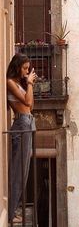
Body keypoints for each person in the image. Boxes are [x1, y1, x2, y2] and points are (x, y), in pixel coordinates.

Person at [6, 53, 37, 223]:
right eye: (25, 68)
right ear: (17, 66)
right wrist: (30, 83)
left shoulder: (19, 83)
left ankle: (14, 208)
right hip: (22, 124)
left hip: (28, 122)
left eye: (28, 69)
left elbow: (31, 104)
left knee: (24, 171)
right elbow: (26, 102)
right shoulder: (10, 82)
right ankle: (11, 212)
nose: (27, 71)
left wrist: (28, 84)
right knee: (18, 170)